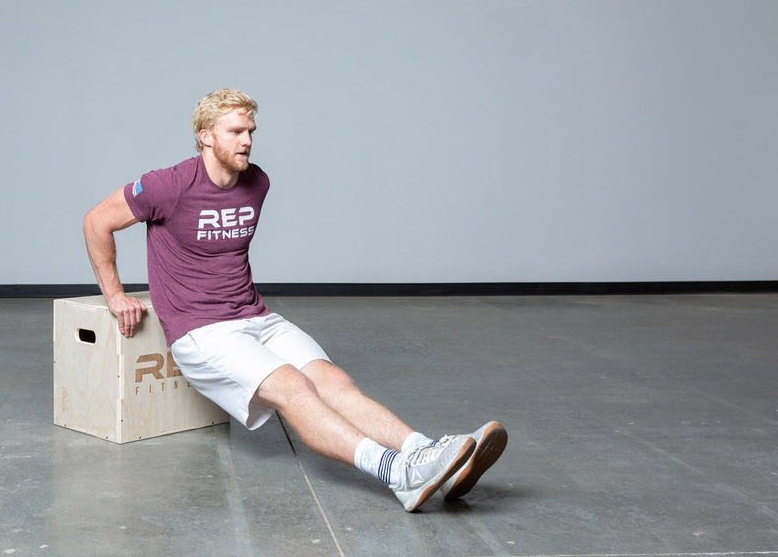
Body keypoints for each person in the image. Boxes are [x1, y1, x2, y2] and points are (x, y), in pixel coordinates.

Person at [82, 88, 506, 512]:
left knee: (335, 383)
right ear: (206, 135)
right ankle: (399, 473)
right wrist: (115, 295)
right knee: (296, 388)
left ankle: (430, 455)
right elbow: (96, 220)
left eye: (251, 130)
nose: (247, 140)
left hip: (255, 316)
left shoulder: (256, 183)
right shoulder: (167, 185)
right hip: (201, 331)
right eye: (235, 131)